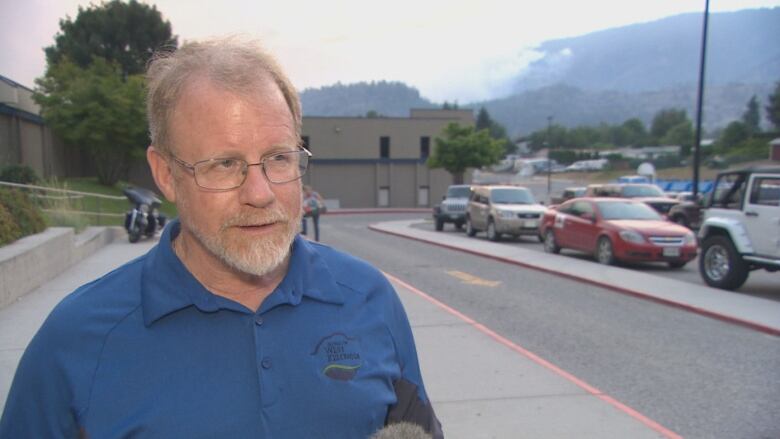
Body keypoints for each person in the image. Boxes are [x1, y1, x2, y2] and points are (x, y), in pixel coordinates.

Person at [0, 37, 442, 438]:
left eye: (278, 158)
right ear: (166, 175)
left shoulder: (371, 300)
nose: (260, 193)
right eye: (224, 165)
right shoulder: (76, 340)